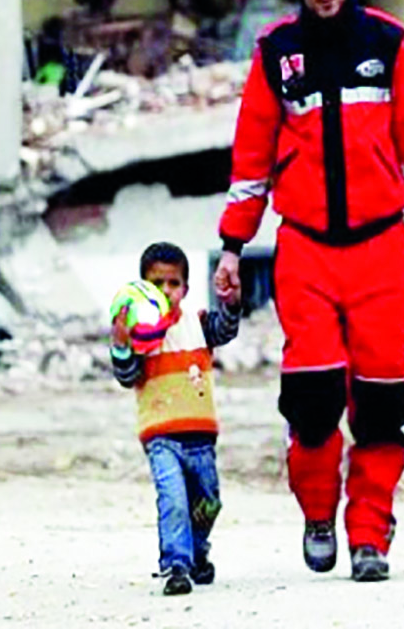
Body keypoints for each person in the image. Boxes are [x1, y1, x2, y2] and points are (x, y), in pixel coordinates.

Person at [212, 0, 404, 583]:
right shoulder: (276, 53)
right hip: (306, 252)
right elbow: (251, 160)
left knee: (381, 404)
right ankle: (318, 513)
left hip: (381, 250)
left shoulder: (388, 43)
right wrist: (232, 246)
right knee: (313, 399)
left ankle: (370, 534)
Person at [111, 242, 242, 596]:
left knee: (209, 503)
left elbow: (226, 329)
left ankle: (197, 552)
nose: (166, 291)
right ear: (143, 287)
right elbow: (126, 376)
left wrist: (231, 303)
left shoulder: (197, 323)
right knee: (173, 501)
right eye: (157, 284)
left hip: (201, 436)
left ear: (185, 288)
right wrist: (121, 345)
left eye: (174, 283)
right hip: (162, 436)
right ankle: (176, 565)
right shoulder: (141, 334)